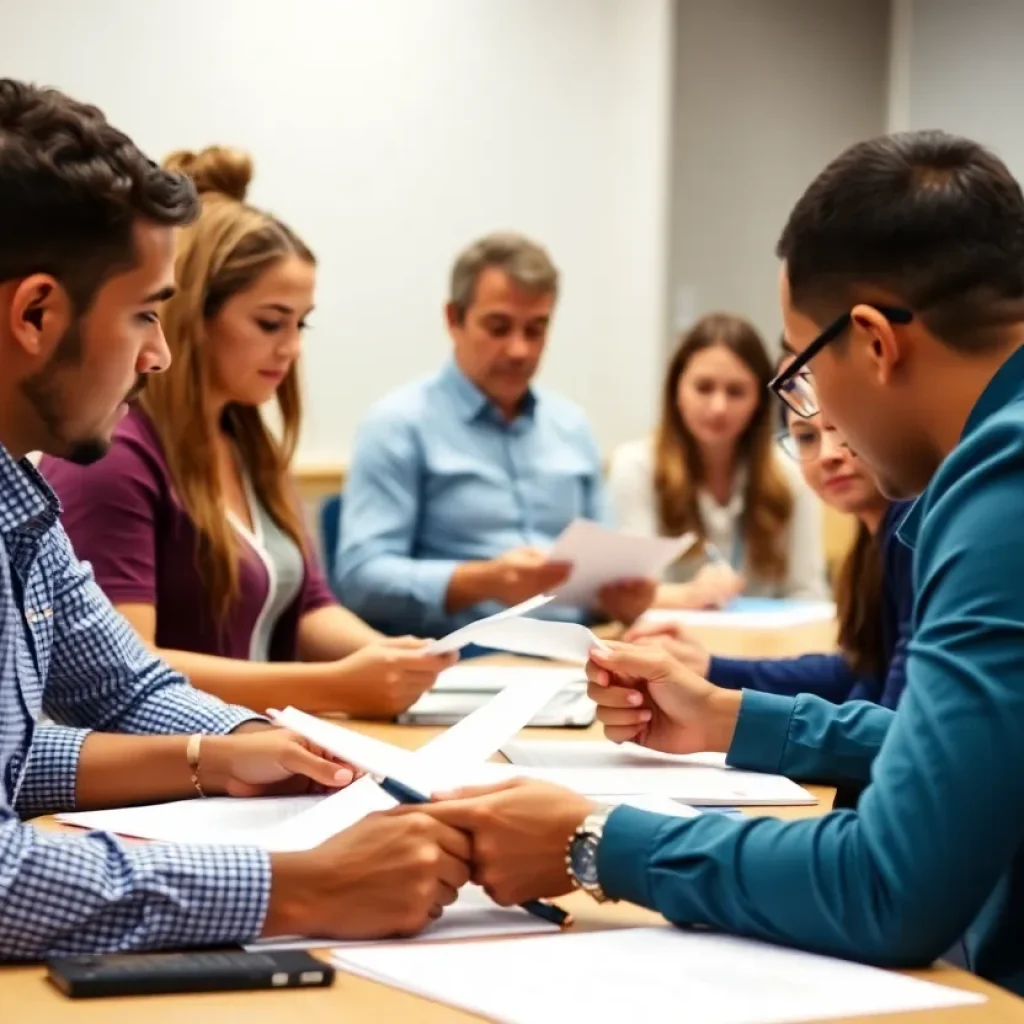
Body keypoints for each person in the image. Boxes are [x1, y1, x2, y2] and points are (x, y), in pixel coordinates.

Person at [415, 130, 1024, 994]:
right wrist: (738, 718)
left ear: (876, 342)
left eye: (801, 370)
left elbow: (891, 885)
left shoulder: (1002, 484)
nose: (813, 416)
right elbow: (972, 754)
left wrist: (594, 840)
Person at [0, 80, 469, 959]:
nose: (159, 354)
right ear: (34, 313)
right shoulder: (86, 465)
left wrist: (241, 746)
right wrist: (301, 887)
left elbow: (112, 696)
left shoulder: (17, 498)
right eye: (145, 313)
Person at [42, 146, 454, 719]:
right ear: (192, 316)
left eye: (300, 323)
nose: (292, 348)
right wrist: (335, 687)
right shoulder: (113, 453)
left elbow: (308, 606)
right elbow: (122, 669)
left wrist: (392, 659)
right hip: (171, 768)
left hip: (248, 751)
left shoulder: (251, 443)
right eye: (270, 323)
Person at [336, 232, 655, 636]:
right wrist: (481, 581)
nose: (519, 350)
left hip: (579, 651)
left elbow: (608, 565)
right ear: (454, 319)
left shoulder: (571, 427)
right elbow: (360, 579)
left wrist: (623, 592)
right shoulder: (397, 425)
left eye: (535, 329)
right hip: (459, 658)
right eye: (498, 327)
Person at [626, 410, 913, 711]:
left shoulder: (909, 525)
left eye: (845, 428)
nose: (829, 454)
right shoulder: (872, 544)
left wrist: (718, 717)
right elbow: (858, 673)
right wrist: (711, 668)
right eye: (806, 437)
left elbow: (887, 729)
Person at [608, 314, 827, 610]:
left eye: (736, 392)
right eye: (704, 387)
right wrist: (691, 596)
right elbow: (625, 596)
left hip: (764, 648)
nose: (718, 407)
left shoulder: (793, 474)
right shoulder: (635, 466)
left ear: (759, 403)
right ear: (676, 391)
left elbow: (809, 595)